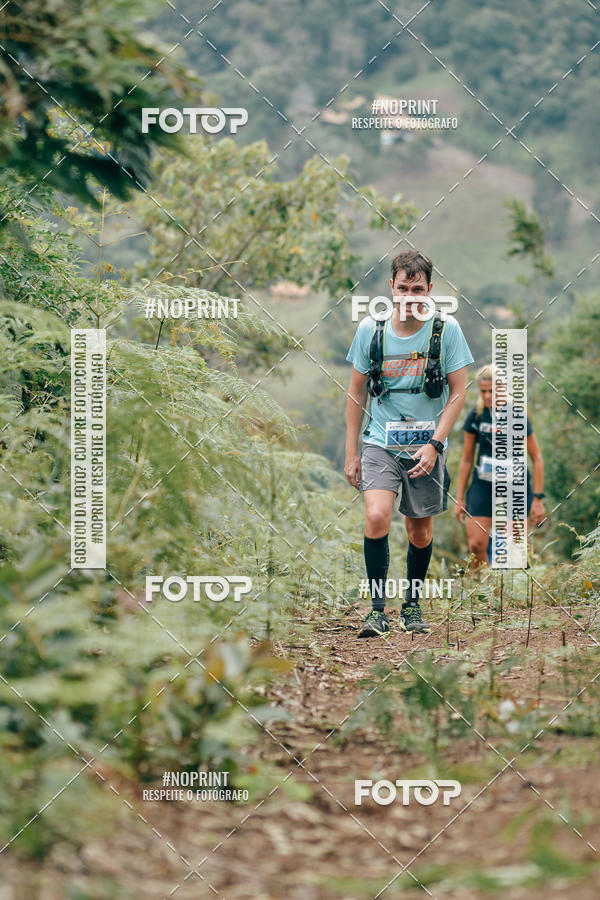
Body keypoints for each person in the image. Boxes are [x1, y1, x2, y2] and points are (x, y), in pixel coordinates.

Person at [345, 249, 473, 637]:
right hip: (380, 443)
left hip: (426, 447)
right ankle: (377, 609)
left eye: (418, 289)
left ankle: (412, 606)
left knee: (419, 532)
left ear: (430, 290)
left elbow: (459, 392)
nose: (410, 296)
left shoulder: (446, 330)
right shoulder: (371, 330)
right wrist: (352, 452)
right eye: (403, 288)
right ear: (392, 288)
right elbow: (355, 393)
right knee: (376, 516)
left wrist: (435, 444)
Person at [454, 364, 546, 567]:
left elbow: (537, 458)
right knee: (476, 545)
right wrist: (460, 498)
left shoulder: (517, 415)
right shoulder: (476, 416)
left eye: (492, 391)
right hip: (483, 483)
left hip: (516, 484)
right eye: (483, 391)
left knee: (514, 545)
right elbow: (466, 459)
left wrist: (538, 499)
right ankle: (480, 595)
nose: (487, 396)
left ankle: (513, 594)